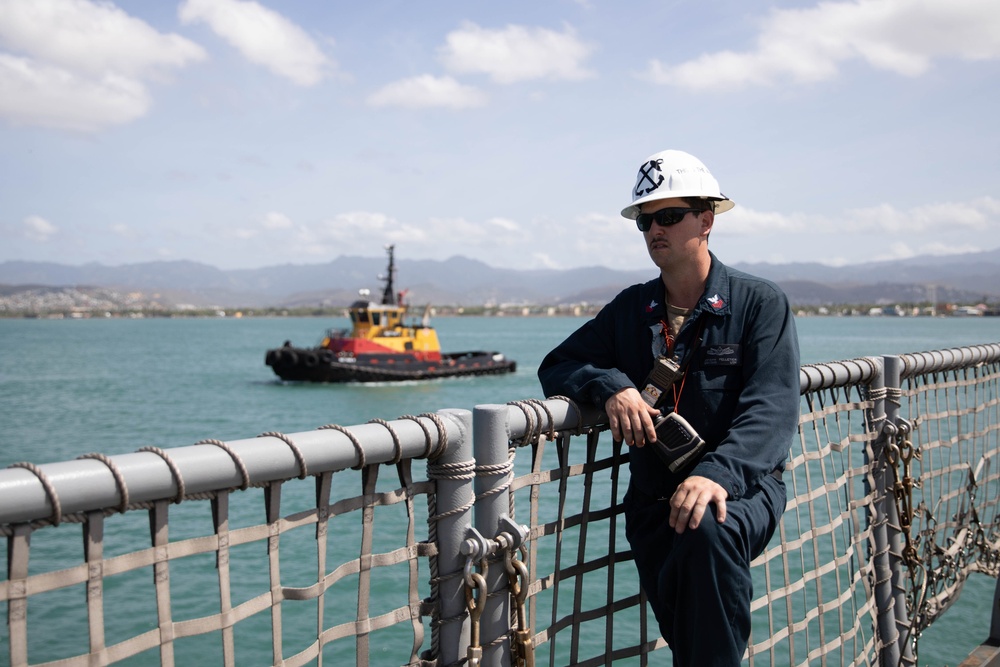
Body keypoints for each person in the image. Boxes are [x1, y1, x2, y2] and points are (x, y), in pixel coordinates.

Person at [538, 149, 800, 666]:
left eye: (669, 216)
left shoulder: (758, 304)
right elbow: (559, 364)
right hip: (656, 498)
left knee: (707, 531)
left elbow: (770, 408)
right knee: (689, 631)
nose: (654, 228)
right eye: (645, 219)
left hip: (740, 489)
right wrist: (612, 387)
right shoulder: (631, 309)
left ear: (706, 221)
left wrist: (717, 475)